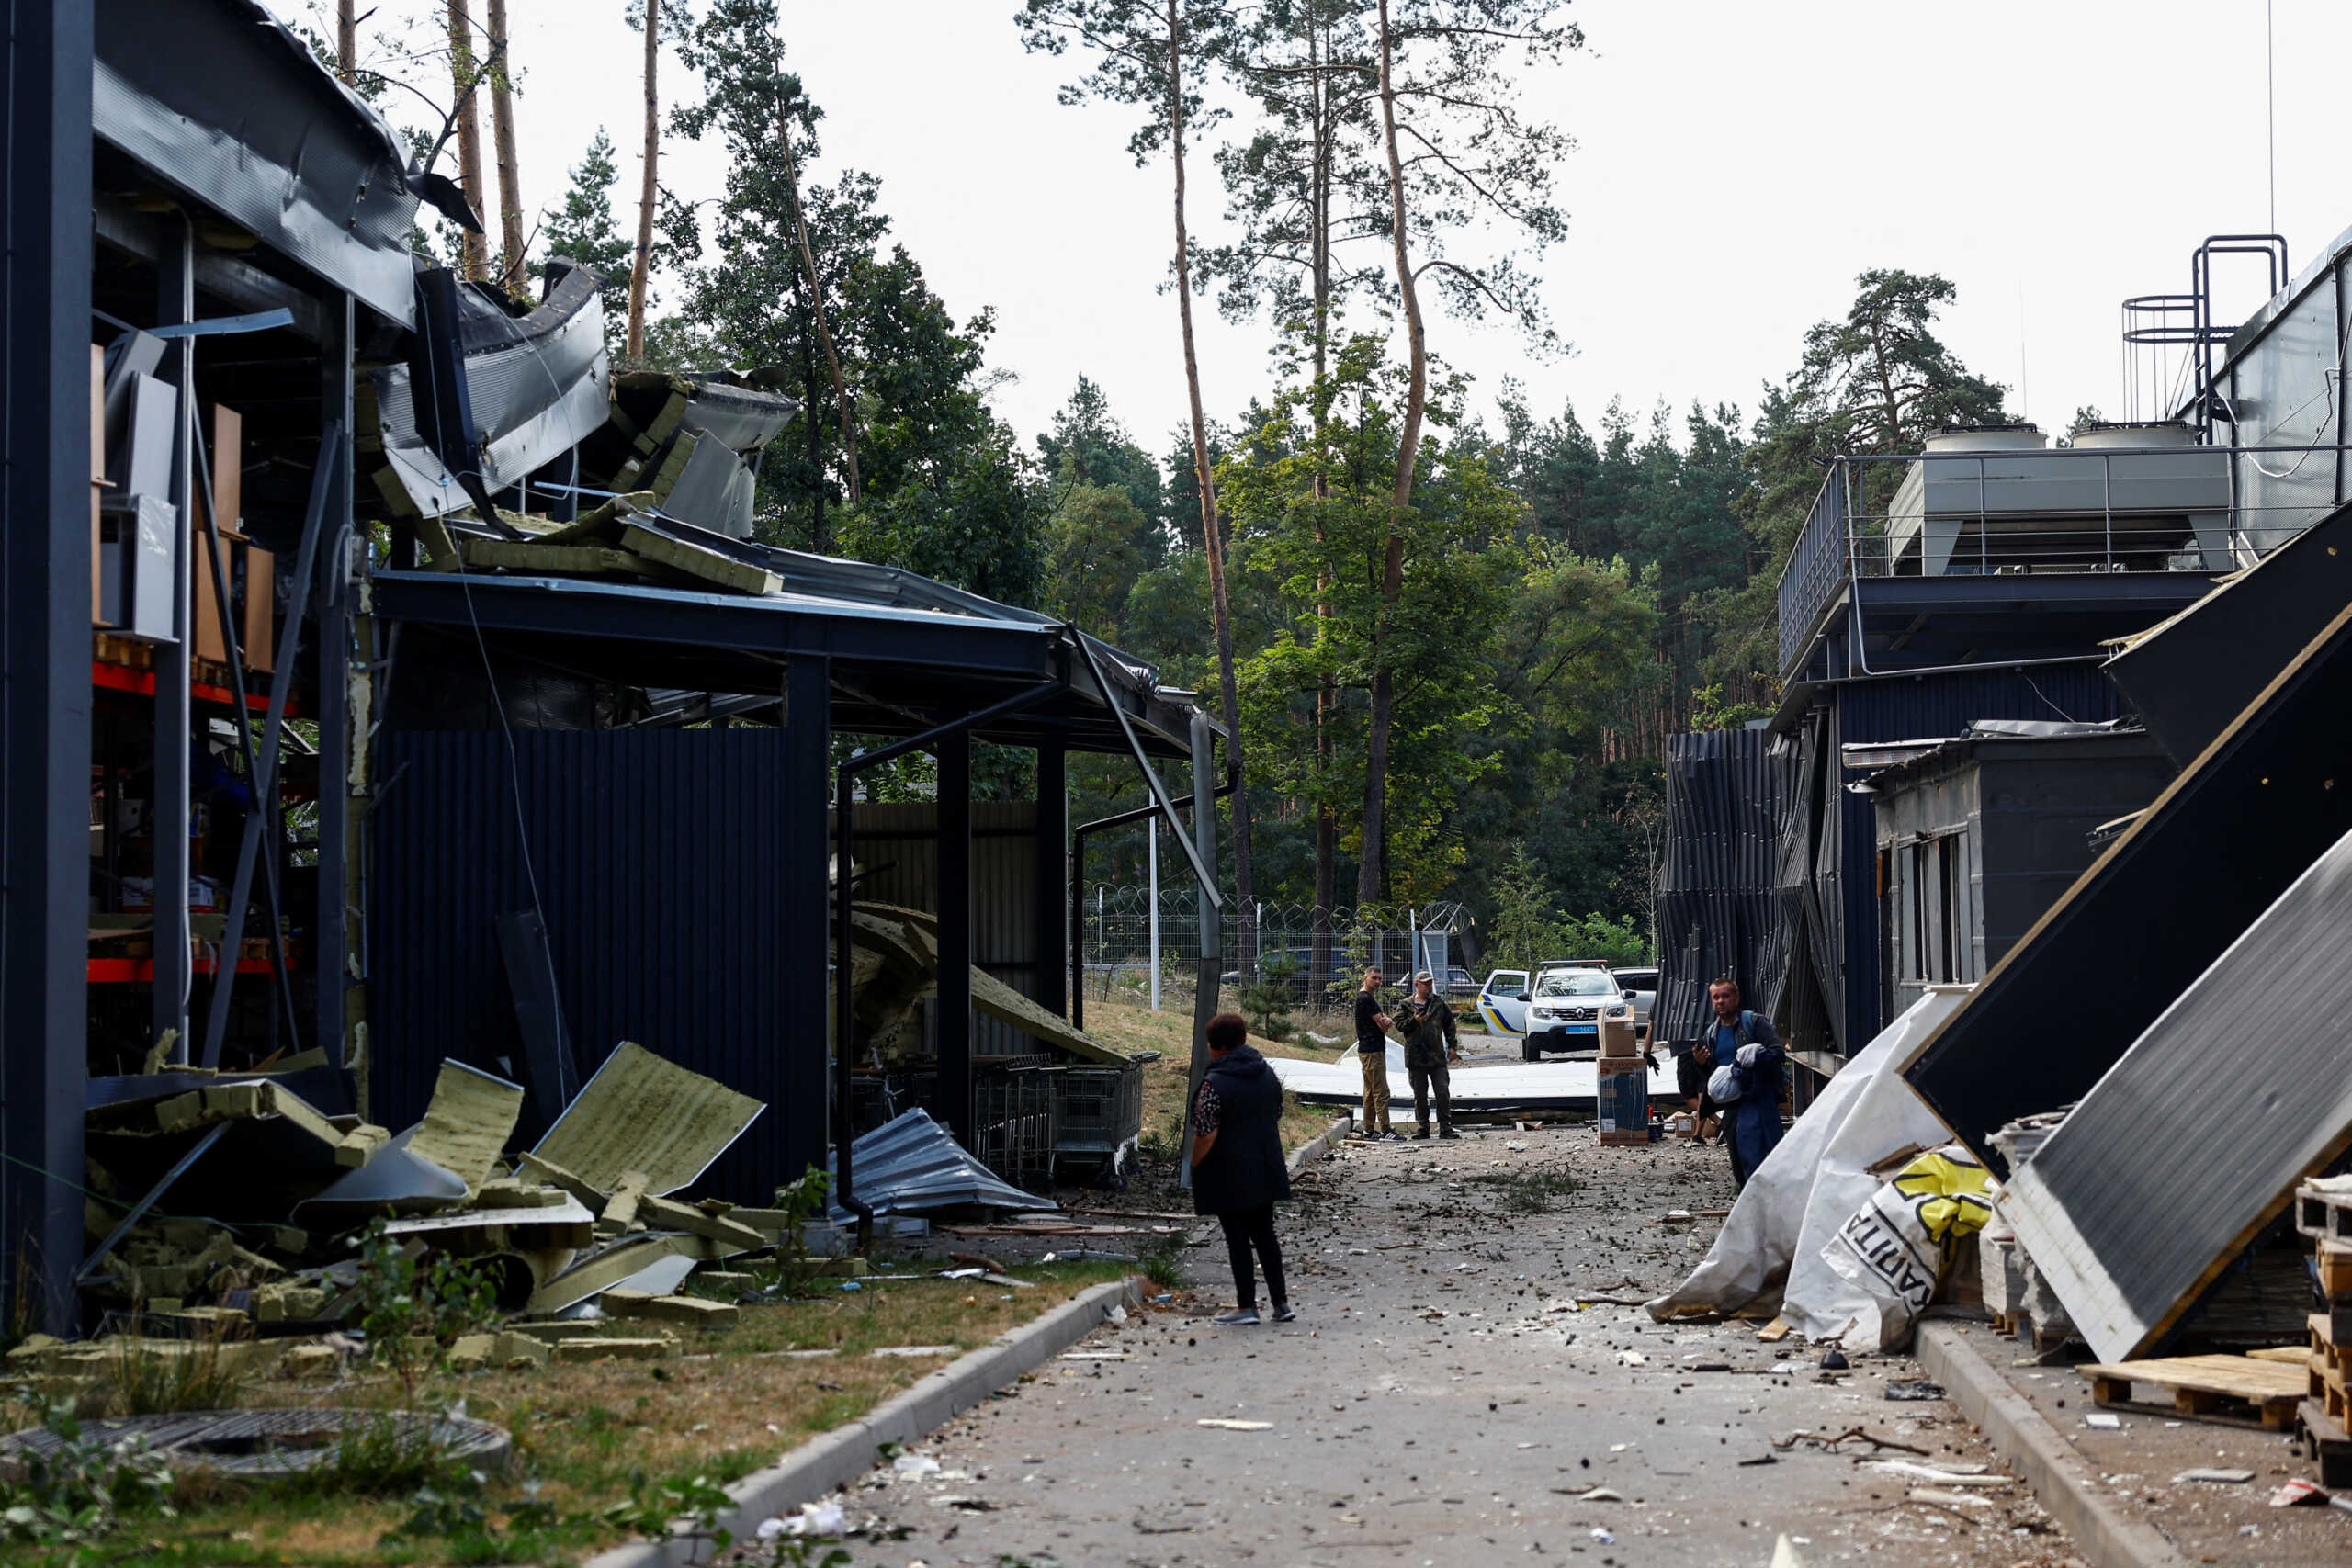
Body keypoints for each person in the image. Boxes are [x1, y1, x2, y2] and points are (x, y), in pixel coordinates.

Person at [1190, 1010, 1293, 1325]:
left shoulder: (1214, 1084)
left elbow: (1207, 1133)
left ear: (1216, 1047)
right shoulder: (1266, 1074)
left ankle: (1246, 1306)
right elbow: (1276, 1111)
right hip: (1265, 1165)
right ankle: (1281, 1303)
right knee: (1265, 1236)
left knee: (1237, 1238)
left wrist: (1194, 1162)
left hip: (1229, 1173)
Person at [1690, 976, 1785, 1188]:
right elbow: (1713, 1074)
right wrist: (1701, 1064)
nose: (1721, 1001)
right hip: (1732, 1105)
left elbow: (1777, 1054)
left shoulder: (1754, 1023)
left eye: (1725, 996)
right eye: (1716, 997)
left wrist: (1748, 1065)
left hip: (1758, 1100)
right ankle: (1747, 1199)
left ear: (1737, 997)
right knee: (1738, 1158)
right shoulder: (1711, 1033)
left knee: (1763, 1155)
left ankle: (1764, 1201)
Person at [1396, 970, 1461, 1140]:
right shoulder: (1406, 1005)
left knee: (1442, 1092)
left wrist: (1452, 1047)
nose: (1428, 986)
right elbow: (1399, 1025)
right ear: (1417, 985)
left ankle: (1445, 1127)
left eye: (1430, 983)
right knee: (1420, 1095)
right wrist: (1414, 1021)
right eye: (1425, 983)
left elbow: (1449, 1025)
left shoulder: (1438, 1004)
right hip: (1416, 1057)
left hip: (1436, 1056)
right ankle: (1423, 1127)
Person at [1351, 967, 1397, 1140]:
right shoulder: (1366, 999)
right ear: (1365, 978)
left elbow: (1383, 1024)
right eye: (1374, 978)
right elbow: (1384, 1024)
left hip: (1369, 1049)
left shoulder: (1367, 998)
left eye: (1380, 978)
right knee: (1381, 1091)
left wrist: (1384, 1022)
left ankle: (1369, 1129)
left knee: (1370, 1092)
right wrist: (1386, 1021)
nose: (1377, 982)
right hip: (1372, 1050)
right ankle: (1386, 1129)